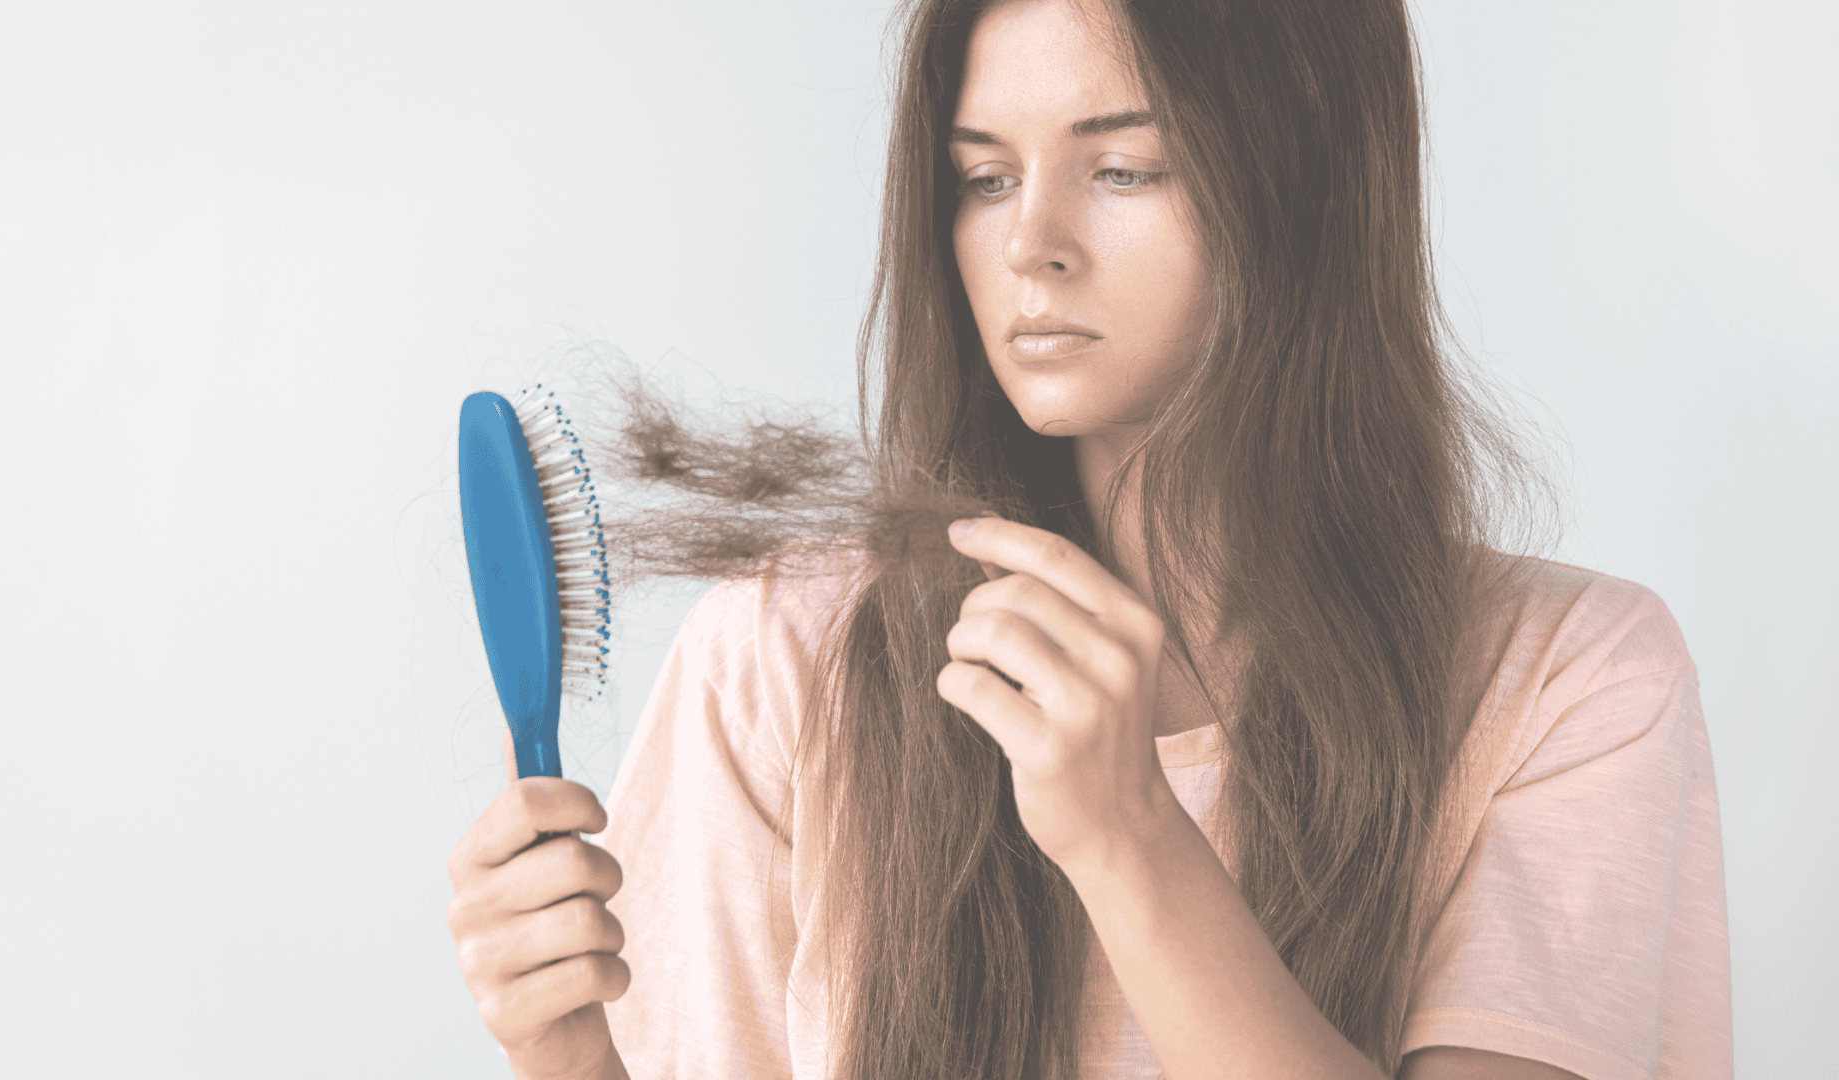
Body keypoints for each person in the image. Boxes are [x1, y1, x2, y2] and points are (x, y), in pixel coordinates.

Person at [444, 0, 1732, 1077]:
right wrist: (569, 1058)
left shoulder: (1569, 677)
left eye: (1124, 169)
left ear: (1307, 189)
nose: (1030, 247)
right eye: (984, 177)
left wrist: (1130, 837)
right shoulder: (783, 657)